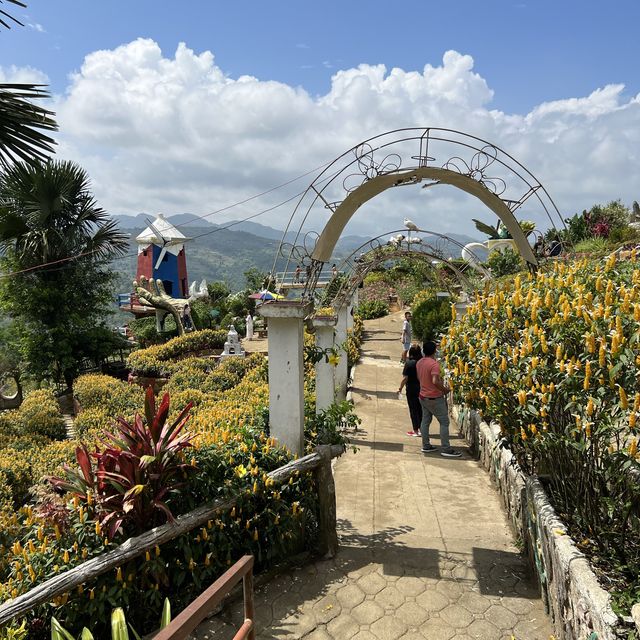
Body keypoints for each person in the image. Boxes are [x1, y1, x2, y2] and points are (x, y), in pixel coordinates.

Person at [416, 340, 461, 458]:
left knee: (425, 421)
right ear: (434, 351)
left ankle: (426, 445)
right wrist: (444, 389)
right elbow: (435, 381)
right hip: (434, 397)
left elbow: (420, 377)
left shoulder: (420, 362)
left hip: (423, 396)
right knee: (444, 422)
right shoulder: (434, 364)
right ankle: (446, 448)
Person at [398, 344, 423, 437]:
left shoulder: (409, 363)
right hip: (422, 388)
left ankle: (416, 430)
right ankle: (422, 428)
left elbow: (405, 378)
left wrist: (400, 388)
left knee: (413, 410)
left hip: (411, 389)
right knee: (421, 409)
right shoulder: (422, 362)